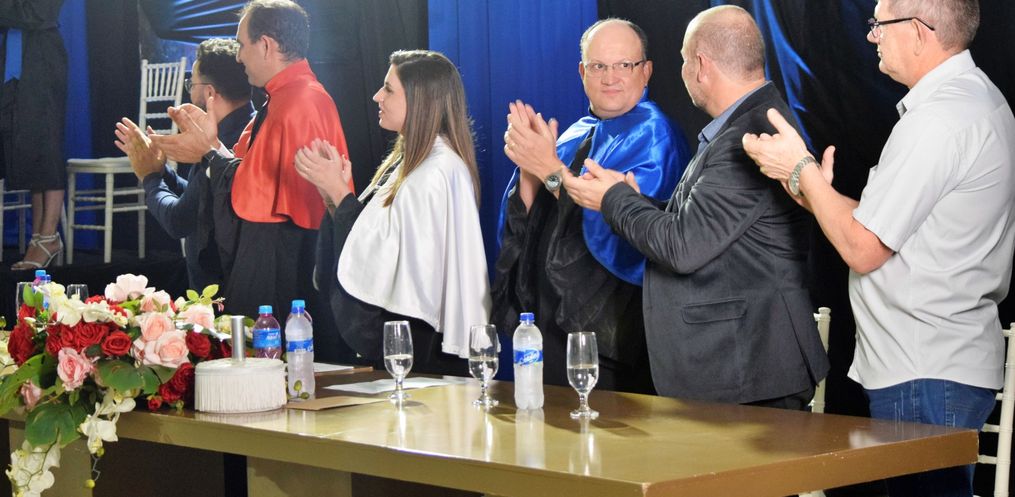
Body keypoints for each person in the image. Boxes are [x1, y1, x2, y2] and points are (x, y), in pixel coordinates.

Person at [742, 0, 1015, 494]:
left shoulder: (939, 120)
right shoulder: (972, 101)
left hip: (925, 371)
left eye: (879, 25)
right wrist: (813, 192)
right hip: (933, 367)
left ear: (918, 31)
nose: (872, 36)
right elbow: (884, 228)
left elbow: (864, 249)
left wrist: (801, 169)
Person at [561, 6, 829, 409]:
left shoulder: (749, 135)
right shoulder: (742, 125)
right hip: (740, 369)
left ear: (701, 65)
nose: (683, 71)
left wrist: (613, 199)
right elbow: (701, 225)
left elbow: (683, 247)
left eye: (684, 60)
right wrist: (630, 198)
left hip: (749, 373)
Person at [494, 19, 689, 394]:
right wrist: (529, 169)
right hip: (551, 314)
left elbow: (623, 227)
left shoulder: (655, 134)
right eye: (598, 66)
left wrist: (549, 170)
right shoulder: (577, 131)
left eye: (624, 65)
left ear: (646, 71)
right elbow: (536, 219)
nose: (610, 77)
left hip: (608, 324)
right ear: (583, 72)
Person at [148, 0, 351, 319]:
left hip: (283, 258)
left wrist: (208, 151)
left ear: (266, 45)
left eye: (242, 45)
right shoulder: (287, 96)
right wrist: (211, 146)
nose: (239, 56)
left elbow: (256, 194)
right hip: (274, 250)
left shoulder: (300, 101)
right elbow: (252, 175)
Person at [302, 50, 490, 375]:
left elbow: (398, 265)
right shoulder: (416, 163)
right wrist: (334, 199)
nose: (377, 96)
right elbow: (383, 243)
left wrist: (340, 193)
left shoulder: (436, 171)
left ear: (420, 101)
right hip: (410, 346)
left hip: (425, 352)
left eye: (388, 89)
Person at [113, 38, 253, 291]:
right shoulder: (251, 126)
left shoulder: (224, 141)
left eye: (191, 84)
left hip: (222, 292)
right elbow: (198, 199)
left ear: (209, 92)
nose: (189, 91)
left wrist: (150, 177)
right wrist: (162, 172)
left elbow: (179, 220)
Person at [0, 0, 67, 270]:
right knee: (31, 148)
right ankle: (38, 237)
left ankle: (49, 236)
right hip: (16, 62)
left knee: (46, 145)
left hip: (43, 62)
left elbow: (36, 14)